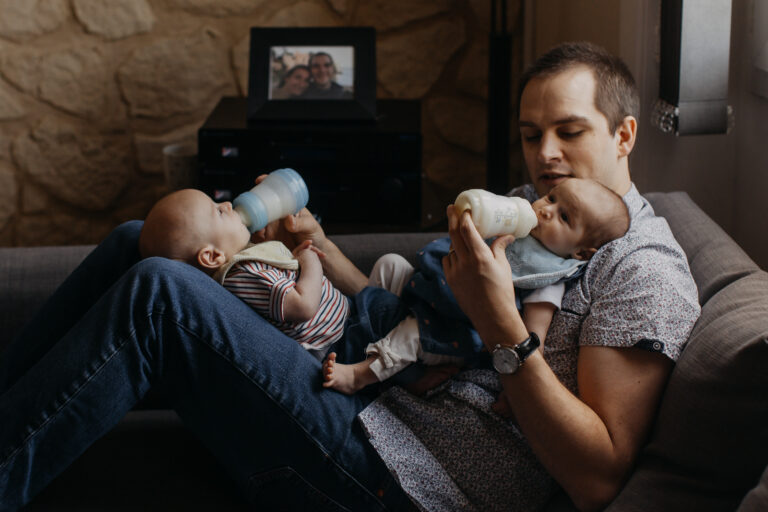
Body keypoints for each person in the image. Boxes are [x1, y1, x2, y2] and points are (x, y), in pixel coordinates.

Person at [0, 41, 700, 512]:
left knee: (165, 294)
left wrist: (502, 328)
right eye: (529, 134)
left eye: (569, 132)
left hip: (405, 474)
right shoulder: (527, 210)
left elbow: (599, 474)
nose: (544, 157)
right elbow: (401, 312)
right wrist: (321, 248)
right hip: (370, 384)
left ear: (624, 135)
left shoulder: (640, 270)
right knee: (139, 242)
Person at [321, 177, 631, 397]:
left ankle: (360, 376)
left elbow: (533, 339)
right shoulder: (519, 229)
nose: (546, 209)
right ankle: (365, 334)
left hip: (456, 329)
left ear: (580, 253)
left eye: (564, 216)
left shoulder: (546, 278)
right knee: (389, 264)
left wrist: (513, 396)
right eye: (551, 197)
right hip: (431, 292)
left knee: (412, 333)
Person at [138, 188, 408, 362]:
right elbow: (301, 305)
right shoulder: (243, 274)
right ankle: (417, 373)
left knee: (396, 309)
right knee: (397, 319)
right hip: (342, 340)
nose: (229, 204)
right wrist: (310, 259)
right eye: (218, 211)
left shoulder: (243, 262)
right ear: (212, 257)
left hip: (346, 323)